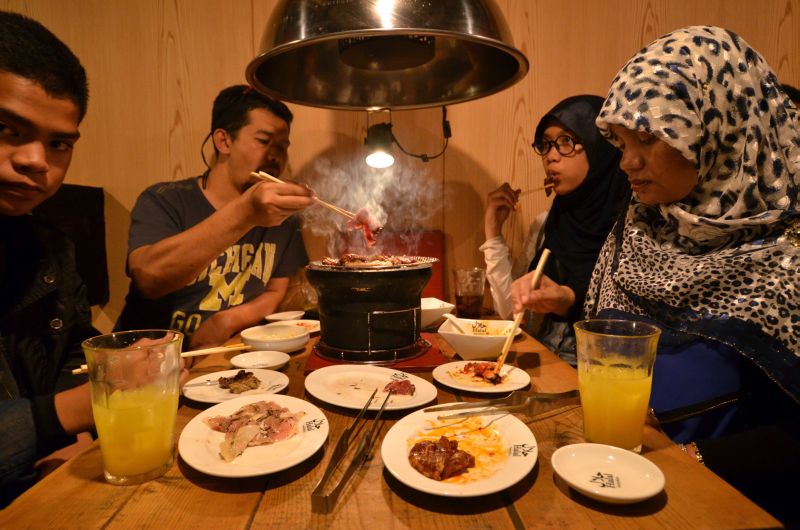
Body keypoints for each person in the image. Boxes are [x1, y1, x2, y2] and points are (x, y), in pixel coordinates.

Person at [517, 26, 799, 524]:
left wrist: (687, 465)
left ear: (723, 128)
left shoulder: (788, 254)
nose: (626, 162)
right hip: (610, 474)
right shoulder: (640, 225)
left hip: (717, 503)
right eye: (619, 142)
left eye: (647, 137)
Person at [115, 85, 314, 349]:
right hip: (150, 359)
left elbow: (276, 291)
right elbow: (149, 279)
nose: (274, 156)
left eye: (282, 146)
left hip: (232, 352)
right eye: (264, 141)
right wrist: (245, 213)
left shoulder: (281, 216)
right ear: (224, 141)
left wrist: (226, 321)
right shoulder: (165, 200)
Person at [0, 11, 96, 506]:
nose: (36, 160)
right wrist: (76, 413)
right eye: (7, 127)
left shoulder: (52, 247)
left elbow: (76, 352)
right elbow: (80, 398)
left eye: (58, 143)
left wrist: (73, 443)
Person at [483, 95, 629, 364]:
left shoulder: (632, 230)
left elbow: (631, 328)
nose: (550, 156)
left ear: (600, 148)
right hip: (545, 361)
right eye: (546, 144)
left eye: (566, 142)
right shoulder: (548, 223)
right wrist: (493, 232)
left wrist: (567, 300)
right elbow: (511, 314)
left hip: (602, 372)